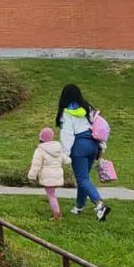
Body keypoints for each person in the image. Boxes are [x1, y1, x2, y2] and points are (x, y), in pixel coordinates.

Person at [55, 84, 109, 221]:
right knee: (84, 178)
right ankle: (79, 206)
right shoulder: (87, 108)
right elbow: (98, 127)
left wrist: (65, 154)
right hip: (93, 145)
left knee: (82, 179)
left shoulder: (67, 112)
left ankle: (99, 204)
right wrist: (101, 147)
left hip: (79, 146)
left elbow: (67, 134)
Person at [26, 127, 70, 220]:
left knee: (51, 195)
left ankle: (57, 215)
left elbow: (36, 165)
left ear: (41, 138)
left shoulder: (40, 150)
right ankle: (57, 213)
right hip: (57, 175)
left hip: (48, 177)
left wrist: (31, 176)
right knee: (52, 194)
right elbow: (66, 160)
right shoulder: (58, 148)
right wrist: (70, 160)